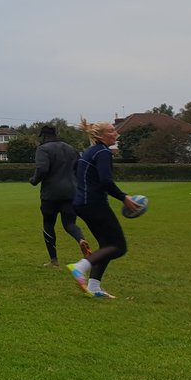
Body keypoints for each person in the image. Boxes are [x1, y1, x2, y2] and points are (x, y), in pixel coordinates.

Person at [66, 119, 141, 298]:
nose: (116, 133)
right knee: (118, 247)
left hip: (82, 204)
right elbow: (105, 180)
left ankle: (94, 287)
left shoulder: (90, 151)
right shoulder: (103, 152)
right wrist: (124, 197)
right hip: (94, 204)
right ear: (100, 135)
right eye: (112, 131)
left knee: (106, 246)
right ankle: (80, 267)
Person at [30, 124, 92, 267]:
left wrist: (34, 180)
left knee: (48, 223)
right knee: (70, 223)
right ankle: (81, 240)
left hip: (51, 193)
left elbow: (42, 168)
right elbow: (79, 169)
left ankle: (54, 261)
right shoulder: (71, 148)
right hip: (71, 192)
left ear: (43, 136)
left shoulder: (43, 149)